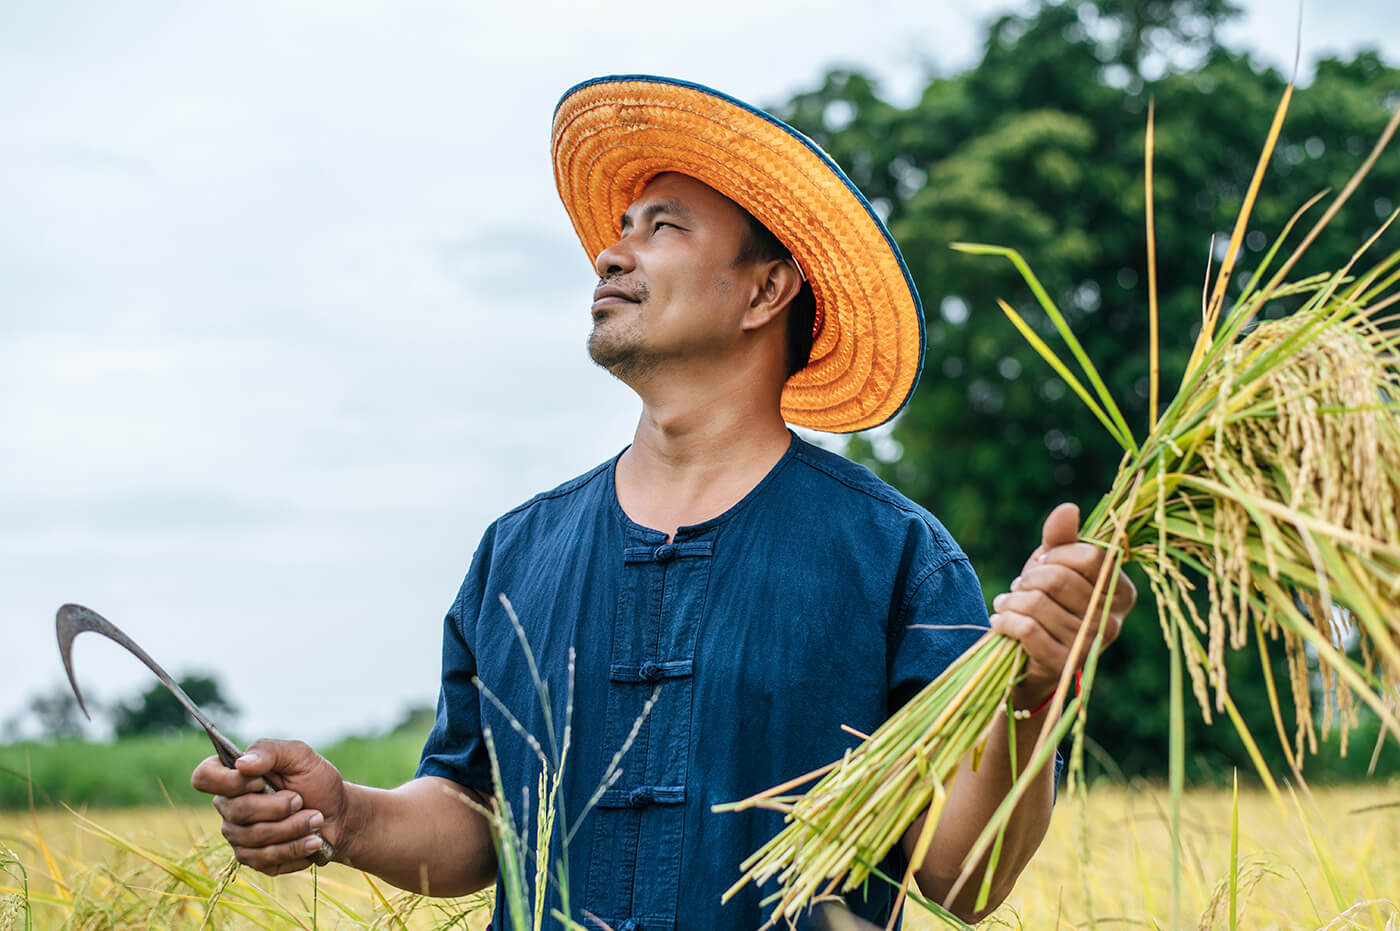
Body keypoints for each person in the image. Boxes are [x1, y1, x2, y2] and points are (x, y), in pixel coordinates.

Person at [192, 75, 1134, 929]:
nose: (610, 252)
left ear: (766, 289)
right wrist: (346, 813)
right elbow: (478, 819)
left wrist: (1034, 690)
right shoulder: (518, 552)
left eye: (663, 227)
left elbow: (962, 879)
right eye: (622, 227)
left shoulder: (893, 559)